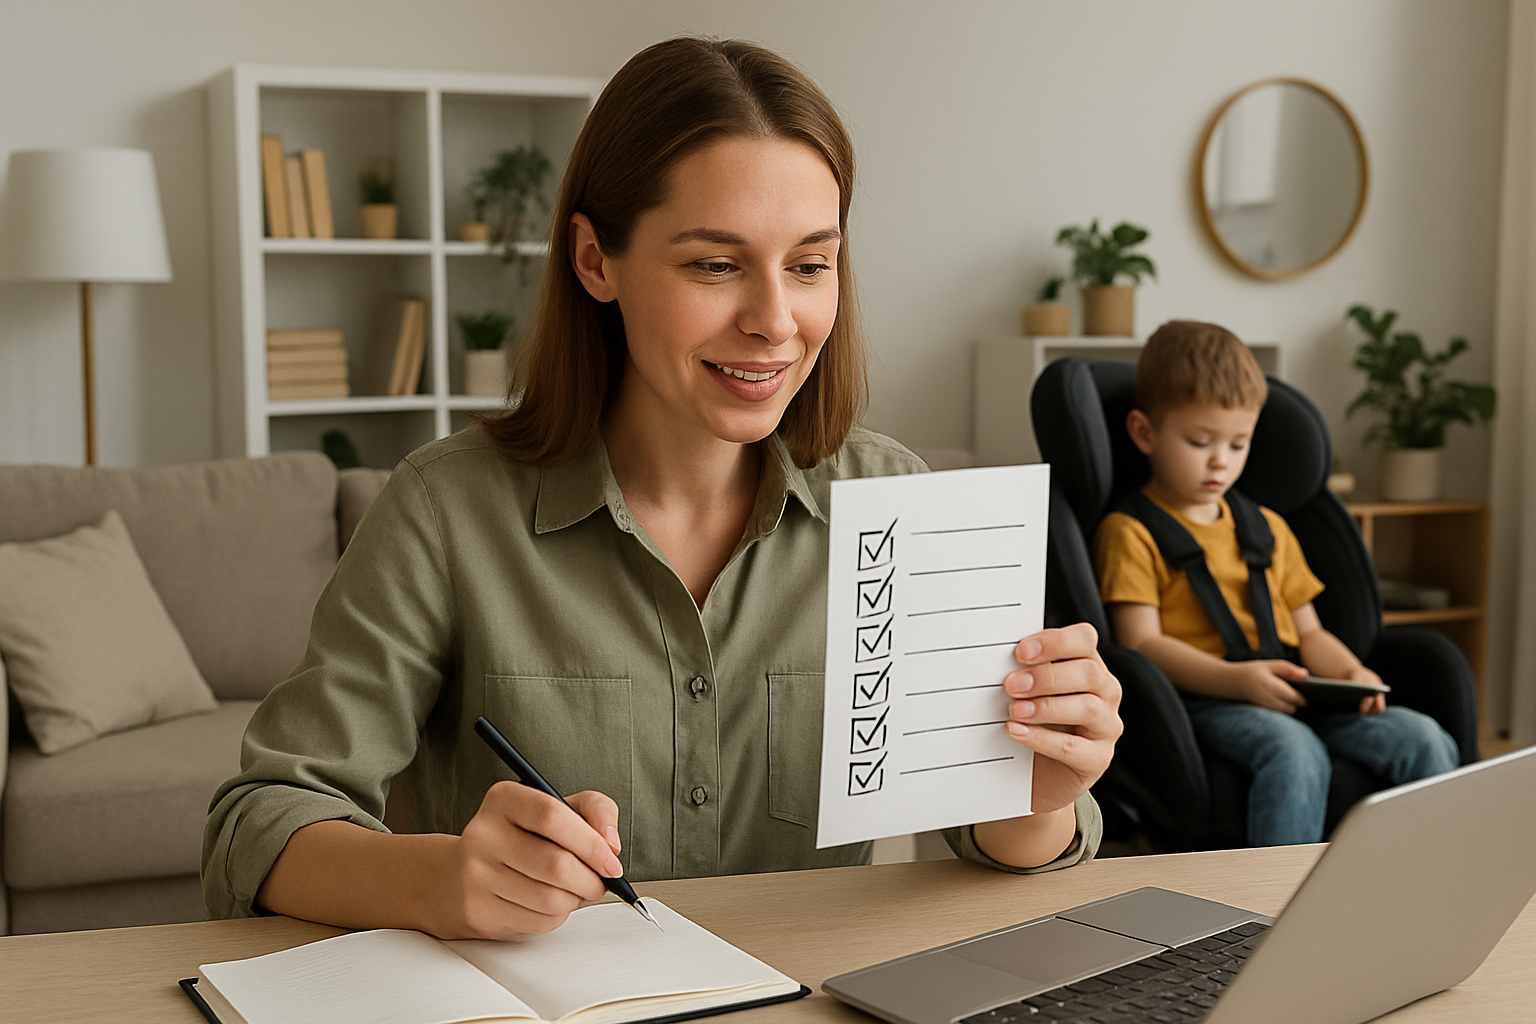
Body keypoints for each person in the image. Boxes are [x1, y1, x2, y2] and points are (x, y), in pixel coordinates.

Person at [203, 37, 1123, 939]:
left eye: (810, 264)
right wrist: (439, 880)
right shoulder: (446, 512)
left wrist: (1036, 795)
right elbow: (260, 821)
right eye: (715, 265)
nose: (774, 321)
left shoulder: (892, 502)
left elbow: (999, 839)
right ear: (595, 260)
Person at [1096, 320, 1458, 847]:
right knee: (1293, 749)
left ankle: (1439, 877)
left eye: (1238, 443)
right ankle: (1277, 909)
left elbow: (1309, 634)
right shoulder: (1129, 532)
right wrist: (1237, 681)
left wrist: (1351, 673)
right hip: (1204, 703)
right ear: (1145, 433)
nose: (1221, 460)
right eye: (1200, 441)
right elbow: (1140, 644)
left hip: (1294, 690)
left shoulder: (1268, 528)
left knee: (1421, 735)